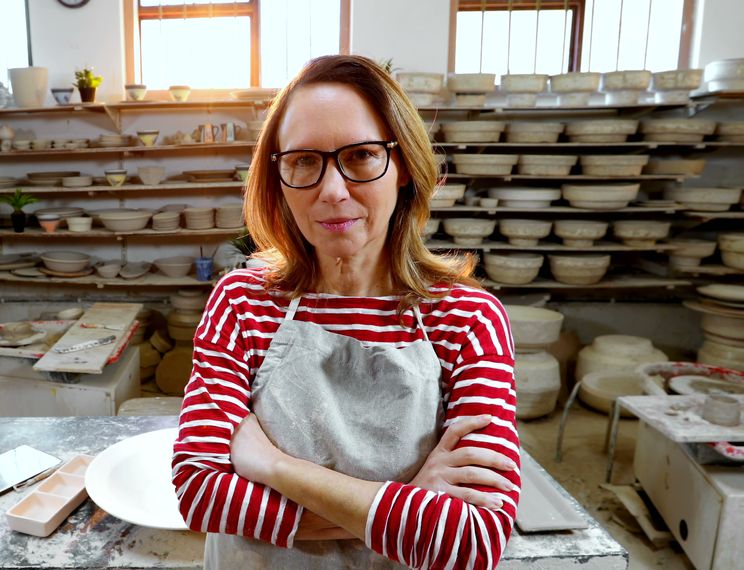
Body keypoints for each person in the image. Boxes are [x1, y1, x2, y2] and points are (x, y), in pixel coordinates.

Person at [172, 54, 520, 569]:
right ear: (279, 177)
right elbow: (200, 494)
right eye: (304, 161)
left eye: (360, 156)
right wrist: (410, 504)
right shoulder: (242, 303)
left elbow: (474, 539)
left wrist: (271, 465)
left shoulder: (468, 319)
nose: (332, 191)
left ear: (403, 167)